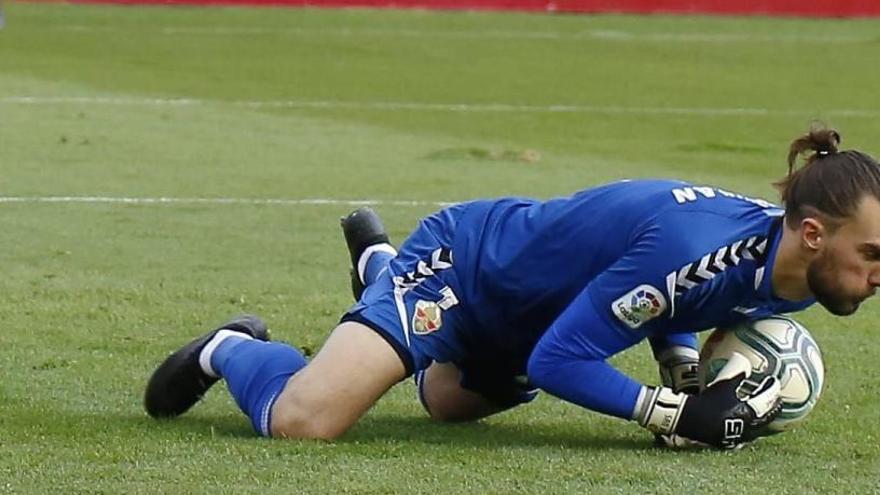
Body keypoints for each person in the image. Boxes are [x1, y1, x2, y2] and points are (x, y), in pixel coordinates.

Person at [144, 127, 880, 449]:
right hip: (470, 267)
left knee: (444, 404)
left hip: (527, 322)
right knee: (306, 419)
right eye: (872, 252)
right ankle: (230, 347)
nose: (877, 274)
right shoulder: (706, 247)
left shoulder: (792, 273)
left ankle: (379, 270)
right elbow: (566, 359)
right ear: (813, 233)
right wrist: (672, 413)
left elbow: (682, 299)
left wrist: (687, 372)